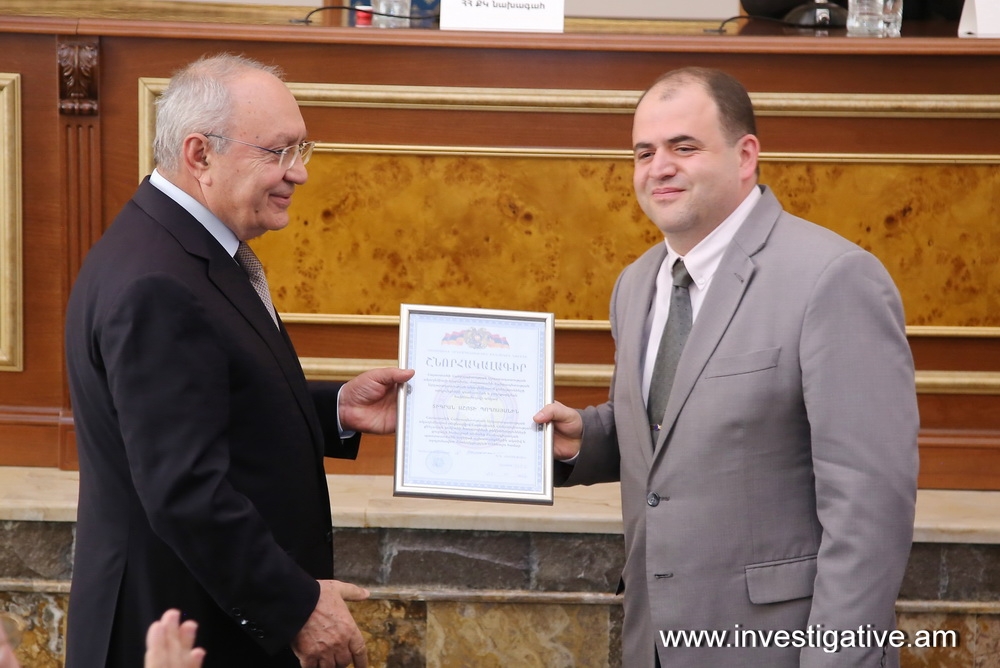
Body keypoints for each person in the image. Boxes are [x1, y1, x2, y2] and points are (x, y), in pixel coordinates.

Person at [533, 67, 919, 667]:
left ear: (745, 156)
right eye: (644, 152)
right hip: (655, 642)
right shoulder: (636, 283)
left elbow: (869, 509)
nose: (659, 168)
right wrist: (587, 439)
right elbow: (679, 429)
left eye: (684, 147)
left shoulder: (833, 278)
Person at [64, 53, 413, 668]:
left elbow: (207, 403)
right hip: (178, 632)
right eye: (278, 152)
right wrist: (297, 607)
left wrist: (336, 409)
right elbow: (184, 488)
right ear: (200, 154)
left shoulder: (177, 245)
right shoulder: (158, 282)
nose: (299, 172)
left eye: (302, 149)